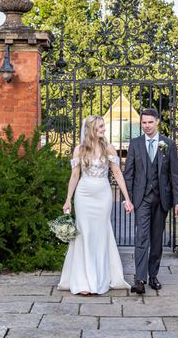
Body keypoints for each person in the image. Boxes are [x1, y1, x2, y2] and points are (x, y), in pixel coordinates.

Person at [57, 115, 134, 295]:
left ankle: (99, 278)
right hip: (84, 195)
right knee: (84, 234)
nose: (104, 129)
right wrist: (68, 199)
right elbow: (75, 175)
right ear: (91, 128)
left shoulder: (109, 148)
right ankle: (83, 281)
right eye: (100, 127)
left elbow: (117, 173)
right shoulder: (80, 150)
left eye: (103, 126)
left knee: (100, 234)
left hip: (103, 195)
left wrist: (127, 198)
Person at [124, 108, 178, 294]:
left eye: (150, 122)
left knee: (157, 240)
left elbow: (175, 175)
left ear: (157, 121)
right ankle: (139, 279)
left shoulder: (168, 144)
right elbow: (129, 174)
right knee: (141, 238)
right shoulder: (135, 144)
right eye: (143, 122)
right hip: (141, 199)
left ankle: (153, 276)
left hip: (162, 199)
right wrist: (129, 199)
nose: (147, 126)